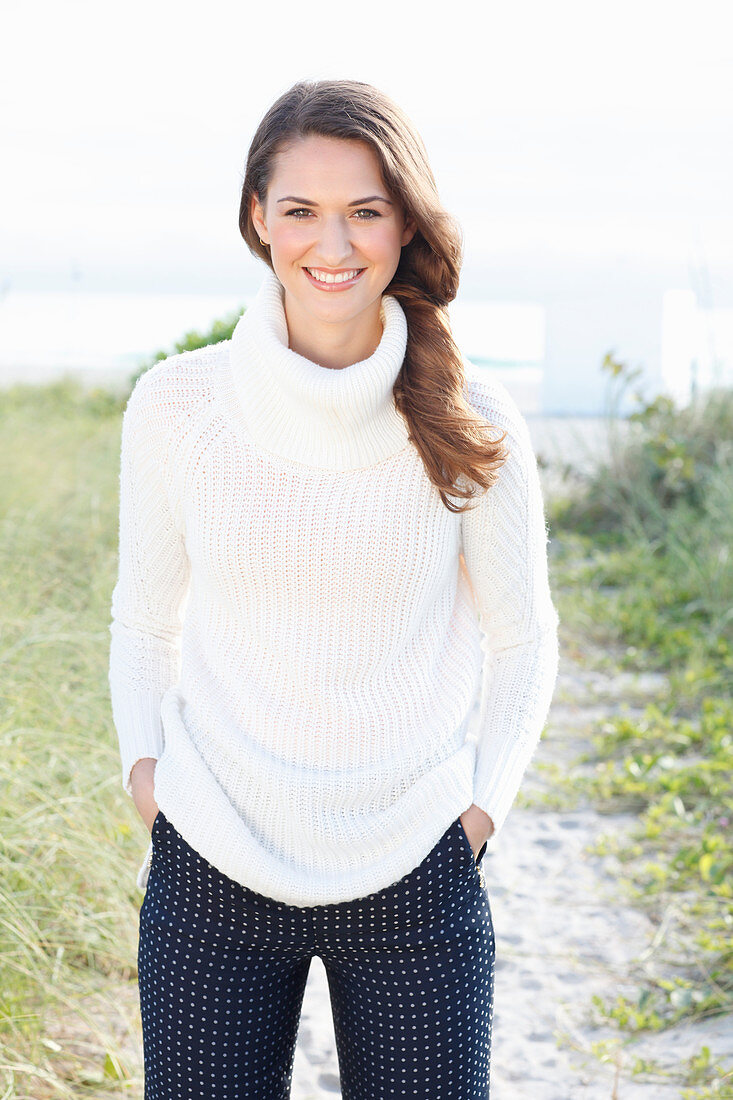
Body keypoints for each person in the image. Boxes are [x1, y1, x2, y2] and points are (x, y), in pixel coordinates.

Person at [108, 78, 560, 1100]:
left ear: (405, 221)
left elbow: (524, 637)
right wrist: (149, 782)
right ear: (258, 218)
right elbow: (143, 618)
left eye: (365, 209)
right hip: (210, 865)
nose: (335, 243)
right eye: (302, 209)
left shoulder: (472, 418)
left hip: (415, 874)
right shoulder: (177, 405)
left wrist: (481, 809)